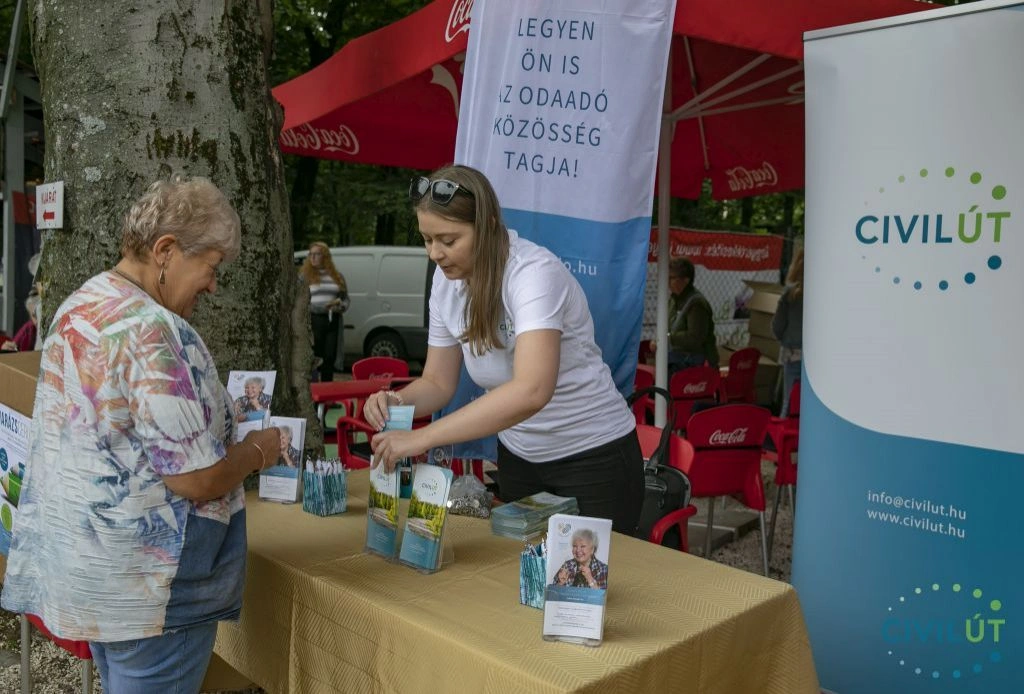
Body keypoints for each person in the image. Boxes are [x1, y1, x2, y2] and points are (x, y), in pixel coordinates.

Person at [0, 176, 281, 693]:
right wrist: (255, 452)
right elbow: (195, 479)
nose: (213, 285)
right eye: (212, 266)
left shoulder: (81, 303)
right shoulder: (153, 330)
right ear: (166, 251)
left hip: (90, 571)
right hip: (149, 593)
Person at [363, 165, 644, 534]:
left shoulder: (533, 273)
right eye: (427, 239)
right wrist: (397, 401)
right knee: (517, 568)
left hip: (592, 456)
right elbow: (437, 383)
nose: (435, 254)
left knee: (587, 571)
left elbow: (532, 390)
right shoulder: (446, 285)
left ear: (489, 226)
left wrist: (422, 438)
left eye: (448, 240)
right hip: (519, 457)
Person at [648, 257, 718, 373]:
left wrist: (668, 339)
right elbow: (667, 329)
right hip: (676, 356)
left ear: (686, 280)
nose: (668, 282)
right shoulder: (673, 300)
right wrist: (658, 340)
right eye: (667, 277)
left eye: (672, 278)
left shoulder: (696, 303)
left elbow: (695, 337)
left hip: (694, 360)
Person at [300, 242, 348, 382]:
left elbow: (345, 299)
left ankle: (327, 390)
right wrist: (318, 307)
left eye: (317, 254)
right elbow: (299, 301)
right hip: (313, 319)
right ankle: (313, 391)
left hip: (332, 320)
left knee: (329, 357)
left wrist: (340, 305)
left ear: (325, 256)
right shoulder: (304, 276)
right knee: (315, 357)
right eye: (311, 254)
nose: (313, 257)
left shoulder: (337, 276)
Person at [772, 246, 804, 417]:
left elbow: (777, 326)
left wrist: (785, 339)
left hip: (793, 353)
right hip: (818, 358)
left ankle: (785, 431)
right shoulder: (826, 293)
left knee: (789, 401)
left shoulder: (790, 294)